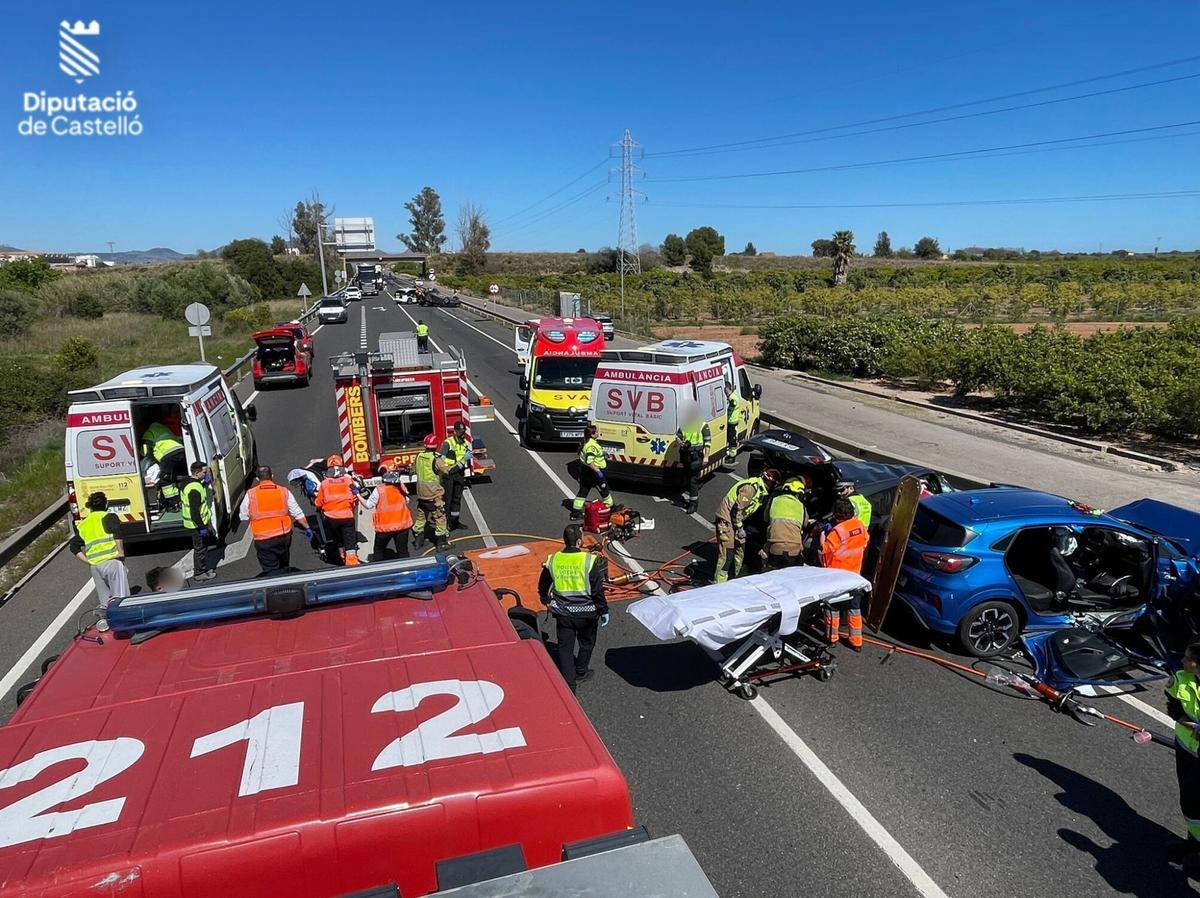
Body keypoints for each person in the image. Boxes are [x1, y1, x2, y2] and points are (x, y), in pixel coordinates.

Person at [538, 523, 609, 693]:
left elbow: (543, 584)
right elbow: (597, 590)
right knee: (587, 643)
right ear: (579, 542)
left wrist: (545, 598)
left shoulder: (554, 560)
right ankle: (581, 671)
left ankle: (569, 685)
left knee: (565, 648)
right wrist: (603, 610)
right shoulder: (588, 560)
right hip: (587, 613)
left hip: (564, 614)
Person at [817, 497, 869, 650]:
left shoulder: (837, 532)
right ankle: (856, 641)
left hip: (836, 577)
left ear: (836, 515)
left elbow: (825, 550)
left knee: (832, 607)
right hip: (854, 575)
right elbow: (865, 542)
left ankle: (832, 638)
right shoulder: (860, 526)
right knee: (854, 608)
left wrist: (823, 535)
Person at [240, 465, 311, 576]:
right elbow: (297, 513)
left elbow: (243, 515)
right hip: (283, 536)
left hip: (263, 539)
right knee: (284, 565)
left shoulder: (251, 494)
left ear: (258, 479)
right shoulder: (284, 491)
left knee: (270, 570)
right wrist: (307, 528)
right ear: (272, 476)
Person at [1167, 642, 1200, 874]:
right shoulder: (1180, 678)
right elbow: (1174, 709)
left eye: (1189, 659)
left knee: (1196, 804)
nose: (1183, 661)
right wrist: (1192, 725)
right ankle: (1193, 842)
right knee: (1188, 799)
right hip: (1186, 749)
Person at [713, 469, 778, 584]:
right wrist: (739, 528)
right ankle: (719, 584)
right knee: (727, 554)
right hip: (726, 521)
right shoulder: (750, 488)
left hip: (736, 521)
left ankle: (735, 579)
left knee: (740, 551)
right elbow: (736, 510)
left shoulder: (760, 491)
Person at [70, 492, 129, 606]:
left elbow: (73, 546)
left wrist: (89, 561)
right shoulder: (109, 517)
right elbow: (117, 533)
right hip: (112, 562)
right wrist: (120, 552)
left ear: (90, 507)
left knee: (105, 603)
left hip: (96, 567)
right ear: (106, 505)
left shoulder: (83, 524)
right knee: (122, 600)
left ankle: (107, 616)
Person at [362, 461, 414, 560]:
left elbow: (368, 505)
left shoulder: (379, 490)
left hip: (384, 528)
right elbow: (407, 500)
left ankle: (379, 568)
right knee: (403, 552)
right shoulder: (401, 486)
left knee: (379, 551)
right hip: (402, 526)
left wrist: (357, 494)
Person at [315, 454, 361, 565]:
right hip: (347, 517)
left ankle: (342, 557)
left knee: (337, 538)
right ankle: (351, 561)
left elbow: (318, 502)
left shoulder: (324, 484)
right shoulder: (348, 481)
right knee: (349, 542)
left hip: (331, 519)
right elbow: (356, 497)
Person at [413, 434, 451, 552]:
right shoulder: (436, 458)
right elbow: (446, 471)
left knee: (421, 516)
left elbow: (414, 469)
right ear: (436, 446)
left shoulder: (419, 456)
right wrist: (460, 463)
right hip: (434, 495)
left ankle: (418, 542)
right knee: (440, 518)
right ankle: (441, 543)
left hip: (421, 493)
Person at [181, 461, 217, 581]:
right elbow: (195, 512)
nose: (206, 474)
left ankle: (203, 568)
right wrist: (202, 527)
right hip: (196, 525)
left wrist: (204, 483)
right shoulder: (194, 489)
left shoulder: (189, 482)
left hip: (195, 523)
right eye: (204, 472)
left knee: (202, 548)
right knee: (200, 549)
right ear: (197, 472)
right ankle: (199, 573)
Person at [141, 416, 186, 511]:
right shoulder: (162, 428)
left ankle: (173, 503)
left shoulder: (149, 432)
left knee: (165, 480)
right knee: (178, 476)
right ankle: (182, 498)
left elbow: (145, 452)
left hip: (168, 455)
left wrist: (139, 453)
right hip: (181, 451)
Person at [571, 423, 612, 520]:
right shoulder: (591, 446)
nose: (598, 433)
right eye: (596, 432)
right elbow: (590, 461)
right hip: (593, 472)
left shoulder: (588, 442)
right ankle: (611, 507)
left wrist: (602, 453)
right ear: (592, 434)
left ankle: (575, 512)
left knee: (583, 492)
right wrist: (598, 472)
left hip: (585, 472)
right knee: (604, 489)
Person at [765, 477, 808, 568]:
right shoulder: (801, 506)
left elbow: (765, 518)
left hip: (774, 547)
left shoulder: (774, 500)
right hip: (794, 549)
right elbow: (805, 524)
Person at [439, 421, 472, 530]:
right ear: (455, 431)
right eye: (460, 432)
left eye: (463, 432)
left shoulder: (464, 443)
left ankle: (455, 521)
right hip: (449, 474)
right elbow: (441, 460)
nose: (462, 434)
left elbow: (463, 456)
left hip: (459, 473)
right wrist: (446, 469)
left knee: (457, 499)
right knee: (448, 499)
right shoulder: (448, 443)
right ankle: (447, 523)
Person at [676, 414, 711, 515]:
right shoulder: (684, 425)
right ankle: (691, 495)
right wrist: (680, 442)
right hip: (685, 456)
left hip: (696, 456)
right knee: (687, 477)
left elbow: (707, 442)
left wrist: (706, 456)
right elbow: (678, 436)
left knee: (693, 480)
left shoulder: (703, 425)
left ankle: (693, 504)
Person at [725, 381, 747, 459]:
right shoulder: (732, 395)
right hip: (730, 421)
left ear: (729, 388)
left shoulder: (732, 398)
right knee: (730, 438)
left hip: (732, 422)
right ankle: (730, 453)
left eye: (726, 390)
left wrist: (728, 401)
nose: (725, 392)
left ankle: (732, 456)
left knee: (732, 439)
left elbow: (733, 403)